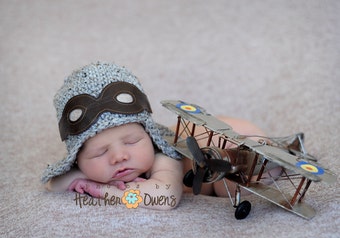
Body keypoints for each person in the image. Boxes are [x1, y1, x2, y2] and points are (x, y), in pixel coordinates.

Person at [42, 62, 268, 209]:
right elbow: (55, 184)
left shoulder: (164, 154)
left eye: (132, 141)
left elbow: (165, 197)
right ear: (78, 160)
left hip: (233, 138)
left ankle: (272, 160)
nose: (119, 156)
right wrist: (82, 175)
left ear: (149, 136)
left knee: (232, 182)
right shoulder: (102, 161)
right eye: (99, 152)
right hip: (222, 138)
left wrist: (103, 189)